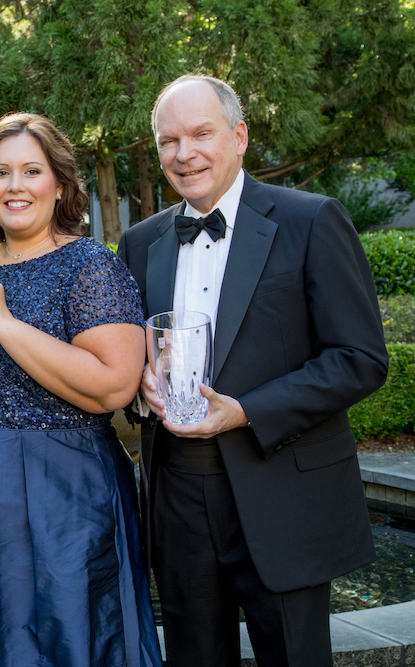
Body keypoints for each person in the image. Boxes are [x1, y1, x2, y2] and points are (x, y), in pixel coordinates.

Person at [117, 75, 389, 666]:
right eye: (168, 141)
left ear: (240, 136)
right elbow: (131, 363)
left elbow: (360, 359)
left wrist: (244, 410)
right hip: (179, 497)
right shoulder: (139, 244)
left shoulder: (312, 219)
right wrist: (138, 386)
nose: (183, 154)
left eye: (200, 134)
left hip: (284, 489)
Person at [0, 113, 162, 667]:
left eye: (32, 170)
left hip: (67, 487)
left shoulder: (91, 266)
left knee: (68, 636)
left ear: (60, 184)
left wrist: (2, 320)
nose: (15, 186)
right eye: (1, 173)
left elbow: (113, 387)